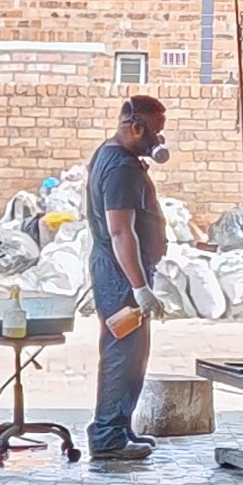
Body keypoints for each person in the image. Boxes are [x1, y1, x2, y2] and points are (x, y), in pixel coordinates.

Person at [86, 95, 171, 466]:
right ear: (136, 128)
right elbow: (121, 231)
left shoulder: (110, 156)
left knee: (131, 354)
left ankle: (119, 428)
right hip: (121, 275)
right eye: (155, 132)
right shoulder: (122, 168)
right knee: (123, 355)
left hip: (117, 270)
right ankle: (108, 437)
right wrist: (139, 288)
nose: (159, 141)